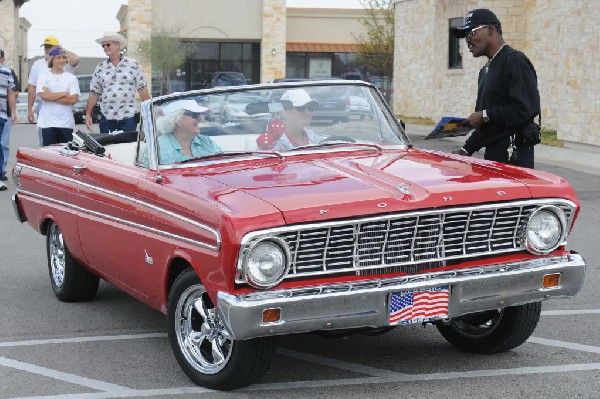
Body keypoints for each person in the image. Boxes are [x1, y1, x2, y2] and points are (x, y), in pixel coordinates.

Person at [451, 9, 540, 168]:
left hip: (514, 160)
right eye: (465, 36)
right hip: (494, 159)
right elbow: (488, 124)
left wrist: (485, 115)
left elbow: (525, 109)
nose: (467, 40)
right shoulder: (485, 70)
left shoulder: (514, 61)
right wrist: (466, 150)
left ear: (490, 30)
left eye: (471, 33)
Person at [85, 32, 150, 133]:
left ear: (118, 45)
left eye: (108, 44)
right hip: (107, 119)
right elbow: (94, 93)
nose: (105, 47)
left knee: (127, 148)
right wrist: (88, 115)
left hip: (128, 119)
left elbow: (143, 90)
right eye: (103, 45)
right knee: (108, 149)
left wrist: (148, 115)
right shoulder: (100, 68)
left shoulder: (133, 64)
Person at [27, 36, 80, 146]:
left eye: (50, 47)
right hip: (44, 109)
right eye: (45, 46)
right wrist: (63, 94)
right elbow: (35, 90)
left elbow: (73, 99)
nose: (47, 49)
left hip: (65, 119)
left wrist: (60, 50)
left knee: (65, 151)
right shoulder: (38, 65)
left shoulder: (69, 72)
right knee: (46, 149)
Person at [155, 99, 221, 164]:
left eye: (199, 114)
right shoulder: (157, 147)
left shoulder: (206, 141)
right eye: (195, 114)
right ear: (177, 119)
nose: (199, 118)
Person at [256, 89, 324, 151]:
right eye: (301, 108)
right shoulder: (272, 143)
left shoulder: (315, 138)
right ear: (284, 112)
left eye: (310, 108)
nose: (307, 112)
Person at [0, 49, 19, 182]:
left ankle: (1, 171)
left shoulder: (7, 71)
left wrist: (13, 112)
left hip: (3, 113)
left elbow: (12, 92)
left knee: (2, 143)